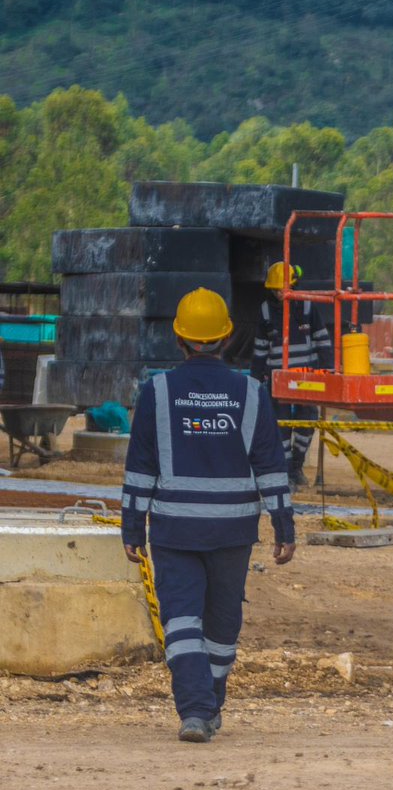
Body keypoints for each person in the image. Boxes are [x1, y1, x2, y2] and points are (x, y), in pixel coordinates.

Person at [122, 287, 296, 744]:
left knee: (182, 622)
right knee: (221, 626)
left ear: (178, 338)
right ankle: (202, 707)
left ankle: (201, 708)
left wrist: (131, 527)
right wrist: (284, 526)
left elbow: (140, 469)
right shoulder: (252, 393)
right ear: (227, 336)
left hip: (173, 531)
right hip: (232, 533)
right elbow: (272, 467)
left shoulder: (157, 392)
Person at [250, 261, 333, 486]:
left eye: (282, 289)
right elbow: (260, 349)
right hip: (278, 378)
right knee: (281, 424)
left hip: (306, 378)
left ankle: (297, 463)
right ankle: (286, 470)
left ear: (293, 286)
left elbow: (322, 339)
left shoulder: (306, 306)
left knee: (307, 421)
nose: (279, 294)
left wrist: (328, 370)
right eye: (275, 290)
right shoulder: (266, 311)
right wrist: (255, 380)